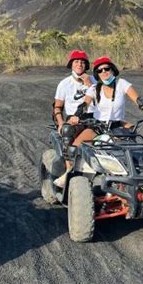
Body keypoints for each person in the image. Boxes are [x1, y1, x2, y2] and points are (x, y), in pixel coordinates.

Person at [70, 56, 143, 149]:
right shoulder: (94, 88)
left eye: (106, 69)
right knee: (74, 148)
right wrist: (76, 115)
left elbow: (139, 101)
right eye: (100, 70)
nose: (104, 72)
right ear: (97, 74)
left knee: (132, 147)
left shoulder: (122, 84)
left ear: (112, 69)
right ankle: (69, 166)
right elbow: (85, 104)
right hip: (97, 126)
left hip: (116, 127)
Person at [52, 50, 94, 188]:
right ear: (71, 64)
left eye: (82, 62)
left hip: (93, 118)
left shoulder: (94, 82)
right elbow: (57, 107)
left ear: (86, 65)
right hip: (73, 120)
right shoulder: (64, 84)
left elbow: (102, 101)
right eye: (76, 61)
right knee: (67, 130)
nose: (79, 64)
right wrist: (60, 123)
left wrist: (89, 84)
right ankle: (69, 171)